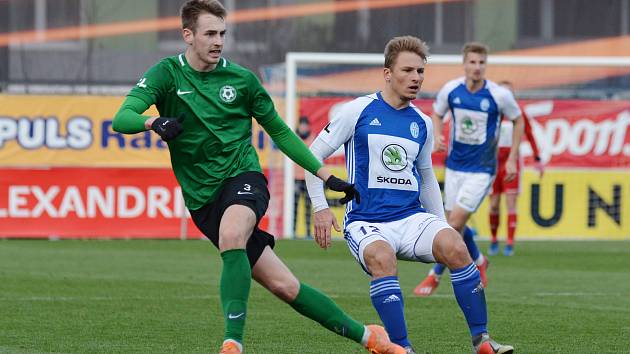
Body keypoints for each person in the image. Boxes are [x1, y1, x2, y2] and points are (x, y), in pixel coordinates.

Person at [112, 1, 405, 354]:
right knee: (284, 286)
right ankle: (369, 337)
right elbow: (122, 117)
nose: (218, 41)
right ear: (187, 35)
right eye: (210, 33)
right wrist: (152, 121)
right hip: (202, 200)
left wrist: (326, 175)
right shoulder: (166, 74)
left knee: (232, 233)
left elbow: (281, 133)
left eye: (222, 33)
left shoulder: (242, 80)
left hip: (243, 177)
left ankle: (232, 343)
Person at [305, 35, 513, 354]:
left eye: (420, 71)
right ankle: (402, 349)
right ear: (388, 73)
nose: (416, 78)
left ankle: (482, 341)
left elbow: (426, 175)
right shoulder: (357, 110)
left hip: (411, 218)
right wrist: (320, 206)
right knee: (382, 258)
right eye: (408, 71)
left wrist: (441, 225)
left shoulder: (422, 123)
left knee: (456, 246)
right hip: (366, 221)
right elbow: (311, 156)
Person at [413, 42, 524, 298]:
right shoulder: (451, 90)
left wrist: (512, 157)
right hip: (454, 167)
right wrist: (438, 135)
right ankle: (480, 260)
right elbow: (437, 113)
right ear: (464, 64)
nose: (477, 67)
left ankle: (434, 276)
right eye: (472, 62)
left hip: (482, 170)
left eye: (481, 63)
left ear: (486, 65)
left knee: (452, 224)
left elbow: (518, 120)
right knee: (453, 225)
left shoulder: (498, 95)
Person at [488, 81, 544, 256]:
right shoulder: (492, 113)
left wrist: (537, 158)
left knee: (511, 202)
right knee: (494, 204)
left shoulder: (518, 113)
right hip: (492, 163)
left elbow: (530, 134)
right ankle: (494, 239)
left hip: (511, 163)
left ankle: (510, 242)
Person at [293, 116, 314, 238]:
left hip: (308, 178)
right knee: (294, 207)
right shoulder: (292, 137)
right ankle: (292, 232)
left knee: (307, 207)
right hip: (295, 178)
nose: (304, 127)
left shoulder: (313, 138)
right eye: (302, 125)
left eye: (305, 125)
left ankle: (308, 233)